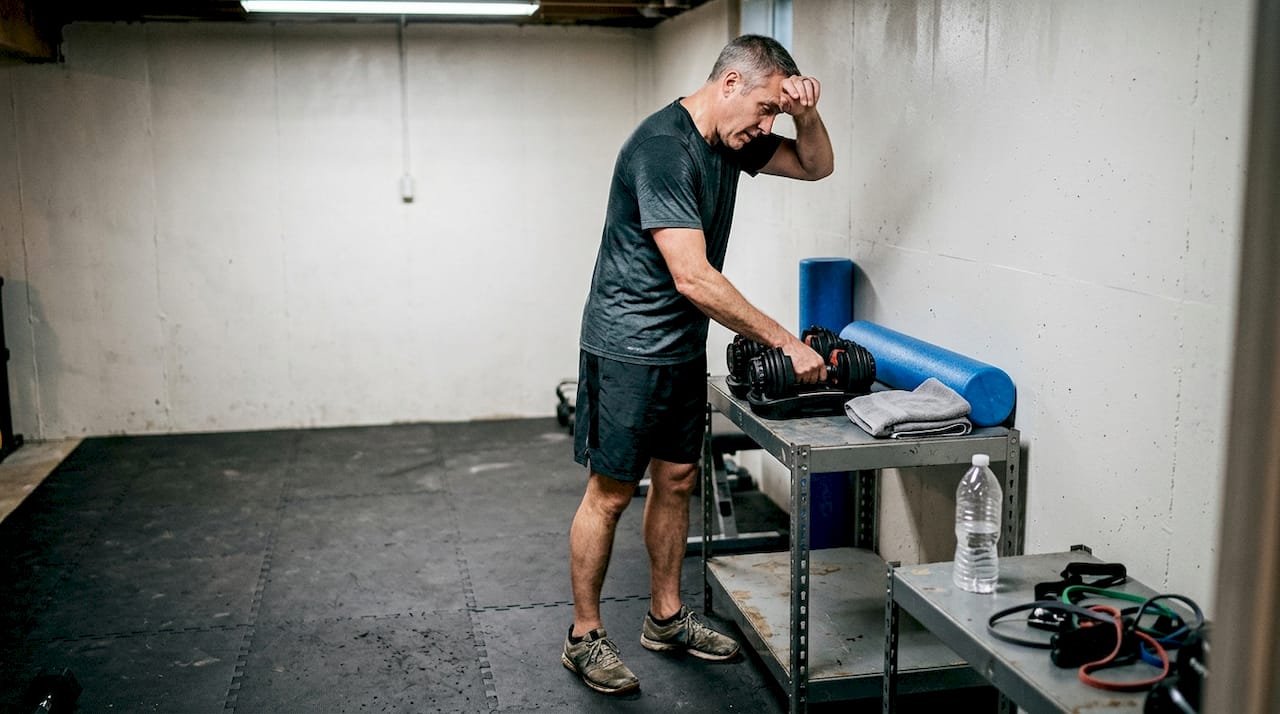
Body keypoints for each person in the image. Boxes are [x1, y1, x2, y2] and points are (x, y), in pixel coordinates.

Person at [563, 34, 834, 695]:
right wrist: (785, 341)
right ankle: (583, 635)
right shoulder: (663, 148)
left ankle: (665, 618)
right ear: (731, 84)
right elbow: (692, 276)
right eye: (766, 108)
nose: (766, 126)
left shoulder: (733, 140)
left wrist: (804, 114)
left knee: (679, 479)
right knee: (611, 493)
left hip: (682, 344)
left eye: (775, 114)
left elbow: (816, 166)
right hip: (627, 346)